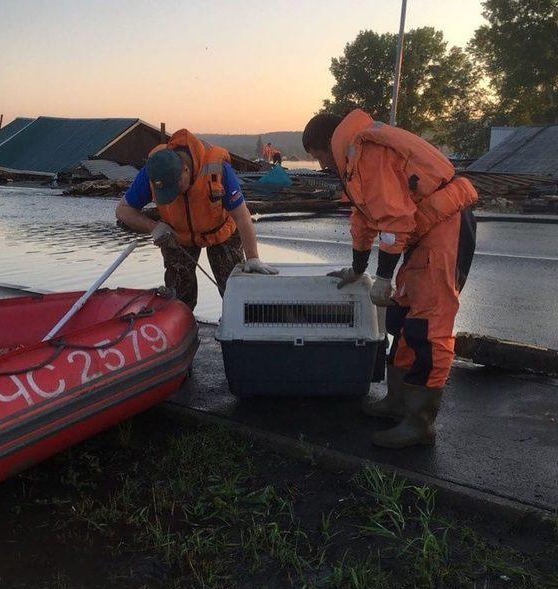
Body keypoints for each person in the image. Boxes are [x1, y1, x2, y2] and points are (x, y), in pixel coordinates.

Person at [302, 110, 478, 449]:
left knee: (429, 326)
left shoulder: (369, 152)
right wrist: (357, 267)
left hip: (445, 228)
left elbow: (394, 220)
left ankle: (420, 421)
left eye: (319, 158)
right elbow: (365, 218)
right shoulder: (355, 157)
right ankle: (399, 401)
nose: (323, 166)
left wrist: (383, 277)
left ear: (327, 144)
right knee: (402, 318)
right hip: (423, 231)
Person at [116, 128, 277, 311]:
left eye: (176, 187)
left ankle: (238, 328)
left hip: (220, 230)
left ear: (185, 170)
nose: (174, 194)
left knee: (233, 290)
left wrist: (253, 258)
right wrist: (154, 227)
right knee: (178, 298)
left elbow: (242, 216)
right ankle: (182, 328)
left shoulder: (217, 168)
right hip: (177, 235)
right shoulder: (155, 170)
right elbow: (123, 210)